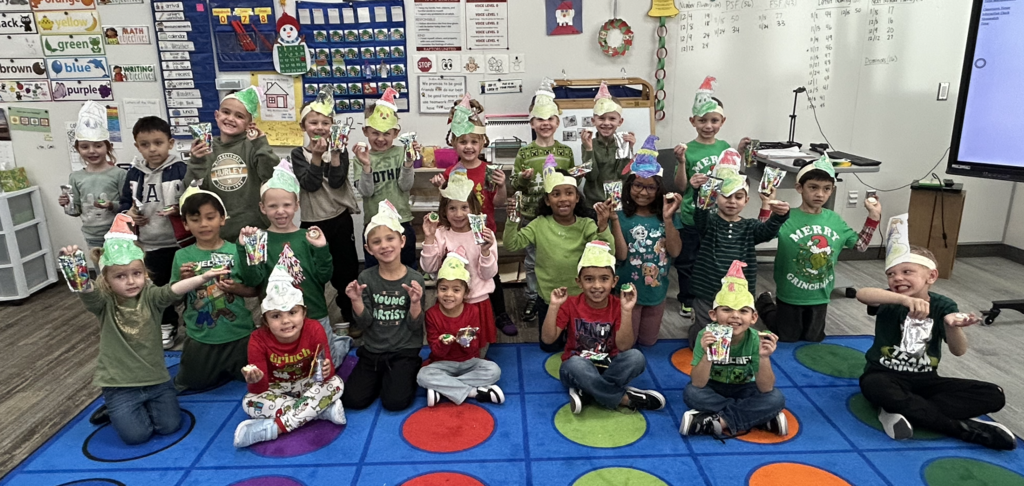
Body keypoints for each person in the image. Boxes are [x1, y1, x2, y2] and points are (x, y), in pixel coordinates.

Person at [60, 214, 229, 445]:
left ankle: (130, 412)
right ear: (107, 280)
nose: (130, 281)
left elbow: (174, 289)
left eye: (136, 274)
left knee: (170, 426)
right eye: (121, 276)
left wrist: (203, 277)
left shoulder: (150, 297)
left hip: (156, 381)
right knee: (137, 436)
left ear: (145, 274)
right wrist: (76, 268)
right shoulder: (104, 303)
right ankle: (114, 410)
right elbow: (86, 291)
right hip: (120, 387)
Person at [856, 218, 1015, 450]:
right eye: (891, 274)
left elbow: (959, 351)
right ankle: (961, 429)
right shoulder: (889, 300)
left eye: (906, 271)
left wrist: (952, 326)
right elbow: (863, 294)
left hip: (926, 381)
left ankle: (902, 410)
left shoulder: (943, 305)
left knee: (993, 394)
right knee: (876, 387)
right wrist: (904, 299)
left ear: (931, 277)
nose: (897, 278)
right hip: (884, 375)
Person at [757, 154, 882, 342]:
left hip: (820, 294)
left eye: (826, 189)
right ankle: (765, 303)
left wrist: (873, 217)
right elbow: (762, 233)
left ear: (832, 191)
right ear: (799, 188)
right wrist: (766, 204)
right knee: (786, 337)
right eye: (813, 187)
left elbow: (861, 246)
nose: (820, 194)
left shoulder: (835, 220)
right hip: (790, 293)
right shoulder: (787, 216)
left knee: (814, 338)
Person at [243, 159, 349, 365]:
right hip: (277, 315)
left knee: (328, 365)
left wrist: (321, 248)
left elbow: (324, 276)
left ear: (297, 205)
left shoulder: (306, 236)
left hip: (314, 311)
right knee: (287, 364)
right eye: (273, 206)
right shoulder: (260, 239)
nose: (280, 211)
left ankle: (341, 342)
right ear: (262, 208)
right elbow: (253, 279)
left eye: (286, 205)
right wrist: (247, 248)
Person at [504, 156, 614, 352]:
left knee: (581, 345)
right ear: (547, 200)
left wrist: (603, 226)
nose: (563, 199)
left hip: (581, 298)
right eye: (556, 194)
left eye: (569, 193)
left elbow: (607, 250)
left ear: (577, 197)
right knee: (549, 346)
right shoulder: (539, 224)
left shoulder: (586, 225)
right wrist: (513, 219)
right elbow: (512, 244)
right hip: (550, 297)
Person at [542, 241, 665, 414]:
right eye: (589, 279)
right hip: (579, 367)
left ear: (614, 281)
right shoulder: (570, 304)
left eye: (604, 279)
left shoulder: (617, 305)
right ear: (579, 282)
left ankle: (589, 392)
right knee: (574, 365)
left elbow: (624, 346)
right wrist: (554, 306)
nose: (597, 286)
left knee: (636, 357)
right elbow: (547, 339)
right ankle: (622, 398)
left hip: (610, 367)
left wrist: (627, 310)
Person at [233, 263, 346, 448]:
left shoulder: (314, 329)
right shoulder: (257, 338)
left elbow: (326, 375)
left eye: (293, 313)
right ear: (266, 321)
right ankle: (318, 411)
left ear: (303, 313)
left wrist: (326, 370)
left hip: (308, 384)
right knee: (250, 403)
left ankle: (273, 429)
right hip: (276, 388)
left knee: (336, 384)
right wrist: (256, 379)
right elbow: (258, 391)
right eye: (276, 316)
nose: (286, 321)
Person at [430, 94, 516, 336]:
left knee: (490, 276)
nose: (468, 146)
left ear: (482, 144)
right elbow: (446, 205)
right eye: (463, 141)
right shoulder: (450, 171)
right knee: (459, 273)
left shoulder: (489, 171)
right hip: (457, 234)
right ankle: (458, 311)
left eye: (473, 142)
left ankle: (499, 313)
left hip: (482, 234)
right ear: (455, 144)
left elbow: (497, 203)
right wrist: (440, 185)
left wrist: (502, 186)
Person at [686, 150, 789, 348]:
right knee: (702, 336)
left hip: (738, 293)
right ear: (716, 198)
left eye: (738, 197)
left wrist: (779, 215)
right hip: (707, 290)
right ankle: (696, 333)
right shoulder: (710, 222)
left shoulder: (750, 226)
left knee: (735, 331)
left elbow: (767, 232)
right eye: (726, 196)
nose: (732, 201)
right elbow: (701, 214)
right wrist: (700, 191)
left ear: (746, 201)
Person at [171, 184, 265, 392]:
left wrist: (235, 288)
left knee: (257, 380)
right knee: (189, 385)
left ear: (222, 219)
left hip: (240, 335)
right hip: (201, 336)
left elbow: (253, 290)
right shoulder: (182, 256)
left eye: (210, 217)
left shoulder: (235, 251)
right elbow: (174, 299)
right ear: (185, 224)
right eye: (195, 220)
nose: (203, 224)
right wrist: (183, 281)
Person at [681, 260, 788, 440]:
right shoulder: (706, 335)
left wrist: (764, 358)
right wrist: (707, 355)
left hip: (746, 388)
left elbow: (766, 387)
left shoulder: (755, 339)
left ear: (753, 317)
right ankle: (758, 418)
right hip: (713, 387)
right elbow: (698, 383)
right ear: (713, 315)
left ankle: (719, 421)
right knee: (691, 393)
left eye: (743, 311)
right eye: (727, 309)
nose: (735, 316)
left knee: (776, 398)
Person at [671, 77, 751, 319]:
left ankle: (714, 297)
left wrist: (739, 151)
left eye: (714, 120)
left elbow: (733, 178)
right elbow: (680, 186)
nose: (708, 125)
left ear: (722, 121)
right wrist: (682, 164)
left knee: (714, 259)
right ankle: (686, 298)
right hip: (691, 216)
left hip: (719, 217)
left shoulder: (725, 147)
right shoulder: (687, 149)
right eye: (702, 120)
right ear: (692, 121)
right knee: (688, 260)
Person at [342, 200, 425, 411]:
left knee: (395, 402)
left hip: (404, 349)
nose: (385, 246)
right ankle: (382, 375)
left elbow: (416, 327)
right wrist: (356, 301)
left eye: (390, 239)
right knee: (353, 400)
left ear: (402, 241)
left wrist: (415, 303)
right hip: (373, 350)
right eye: (377, 242)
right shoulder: (366, 277)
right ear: (368, 249)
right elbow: (365, 322)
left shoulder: (415, 278)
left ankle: (406, 370)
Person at [291, 87, 361, 327]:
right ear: (304, 126)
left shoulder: (338, 150)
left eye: (325, 122)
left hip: (339, 219)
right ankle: (314, 318)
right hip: (312, 221)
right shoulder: (298, 154)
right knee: (311, 273)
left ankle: (350, 316)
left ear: (332, 125)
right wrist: (317, 158)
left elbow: (337, 181)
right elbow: (309, 184)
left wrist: (334, 154)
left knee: (346, 271)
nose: (319, 127)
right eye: (313, 122)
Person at [119, 116, 188, 349]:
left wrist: (181, 209)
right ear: (137, 146)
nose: (152, 149)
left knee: (186, 283)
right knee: (158, 289)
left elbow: (196, 200)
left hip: (181, 242)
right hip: (149, 243)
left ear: (170, 143)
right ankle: (166, 324)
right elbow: (124, 204)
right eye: (145, 144)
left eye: (158, 143)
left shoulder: (181, 170)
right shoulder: (133, 174)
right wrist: (129, 214)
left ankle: (194, 321)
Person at [510, 79, 575, 322]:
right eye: (540, 119)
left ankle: (556, 296)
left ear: (557, 122)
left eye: (550, 119)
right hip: (531, 214)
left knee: (558, 256)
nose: (545, 123)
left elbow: (571, 183)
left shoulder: (566, 152)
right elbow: (515, 184)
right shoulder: (524, 152)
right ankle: (533, 296)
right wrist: (524, 180)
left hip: (559, 216)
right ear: (532, 122)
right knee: (533, 259)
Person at [608, 136, 682, 346]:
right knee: (624, 344)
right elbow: (621, 255)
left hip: (656, 291)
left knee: (649, 342)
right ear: (629, 185)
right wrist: (613, 220)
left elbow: (675, 252)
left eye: (650, 187)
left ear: (659, 189)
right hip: (626, 291)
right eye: (638, 185)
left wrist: (668, 218)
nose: (643, 192)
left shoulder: (667, 215)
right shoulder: (621, 215)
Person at [421, 169, 498, 355]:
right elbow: (430, 268)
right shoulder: (441, 233)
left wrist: (486, 251)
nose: (458, 214)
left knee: (477, 348)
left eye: (464, 207)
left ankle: (475, 367)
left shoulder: (483, 235)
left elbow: (488, 274)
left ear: (473, 208)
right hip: (450, 303)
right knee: (451, 345)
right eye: (452, 208)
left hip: (477, 300)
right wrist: (430, 239)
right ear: (444, 211)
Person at [185, 86, 277, 242]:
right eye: (226, 112)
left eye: (239, 116)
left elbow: (272, 176)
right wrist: (196, 161)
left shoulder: (253, 146)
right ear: (217, 115)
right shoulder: (206, 148)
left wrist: (261, 145)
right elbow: (192, 192)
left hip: (255, 230)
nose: (231, 118)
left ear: (249, 123)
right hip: (217, 235)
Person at [417, 249, 505, 406]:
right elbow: (435, 350)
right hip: (442, 363)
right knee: (422, 375)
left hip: (469, 362)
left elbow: (474, 347)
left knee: (494, 370)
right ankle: (474, 392)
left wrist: (465, 341)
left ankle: (443, 389)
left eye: (456, 290)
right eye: (443, 289)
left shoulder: (472, 311)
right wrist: (444, 343)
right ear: (437, 291)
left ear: (465, 293)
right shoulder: (431, 314)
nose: (449, 294)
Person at [354, 88, 420, 269]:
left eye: (386, 133)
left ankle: (411, 298)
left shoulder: (401, 153)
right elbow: (366, 192)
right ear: (365, 131)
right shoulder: (360, 157)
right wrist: (367, 166)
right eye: (375, 133)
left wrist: (408, 162)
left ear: (396, 133)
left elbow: (406, 186)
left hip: (401, 221)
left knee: (407, 267)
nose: (381, 138)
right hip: (374, 224)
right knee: (374, 270)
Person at [58, 101, 127, 256]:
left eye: (98, 146)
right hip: (91, 236)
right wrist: (67, 204)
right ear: (77, 149)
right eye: (84, 147)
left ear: (107, 147)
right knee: (100, 273)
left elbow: (126, 205)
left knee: (119, 270)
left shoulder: (119, 174)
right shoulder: (75, 177)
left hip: (118, 232)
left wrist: (111, 205)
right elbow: (76, 210)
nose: (92, 151)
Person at [581, 81, 634, 206]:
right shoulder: (589, 143)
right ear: (593, 121)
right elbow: (591, 176)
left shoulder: (623, 142)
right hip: (593, 203)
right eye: (601, 118)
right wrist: (589, 149)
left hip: (617, 201)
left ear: (620, 122)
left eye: (612, 119)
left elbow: (623, 175)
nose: (606, 123)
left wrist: (629, 149)